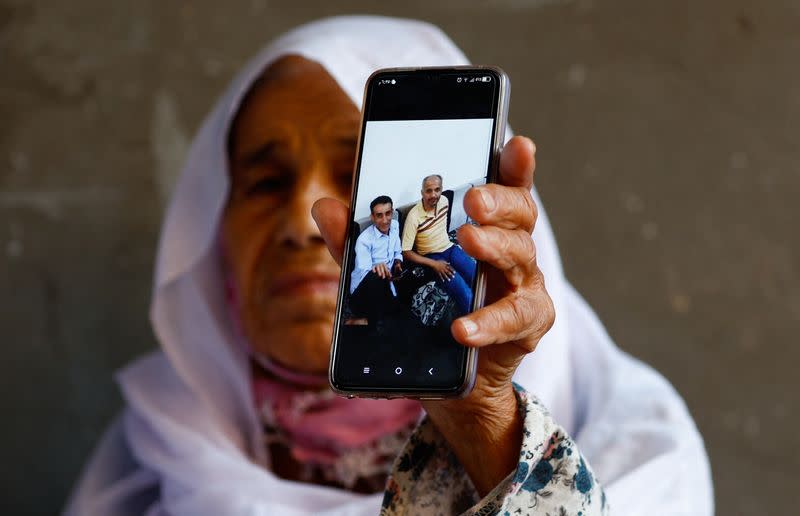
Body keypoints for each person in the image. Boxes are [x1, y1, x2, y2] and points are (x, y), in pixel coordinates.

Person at [65, 16, 713, 516]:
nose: (301, 220)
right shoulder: (151, 460)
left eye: (358, 174)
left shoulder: (640, 448)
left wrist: (480, 423)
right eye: (263, 183)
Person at [401, 174, 476, 314]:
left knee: (476, 275)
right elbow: (406, 252)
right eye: (429, 191)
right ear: (422, 193)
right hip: (432, 257)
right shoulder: (413, 216)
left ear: (441, 189)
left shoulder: (445, 201)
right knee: (464, 292)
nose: (433, 194)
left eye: (437, 189)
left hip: (450, 248)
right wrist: (434, 264)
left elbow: (441, 228)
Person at [348, 196, 403, 324]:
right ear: (372, 217)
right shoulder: (364, 240)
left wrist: (397, 263)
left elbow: (397, 252)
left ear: (392, 212)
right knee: (377, 276)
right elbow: (364, 272)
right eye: (379, 215)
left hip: (388, 283)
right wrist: (378, 268)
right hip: (363, 289)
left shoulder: (395, 225)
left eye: (388, 213)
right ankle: (359, 320)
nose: (385, 220)